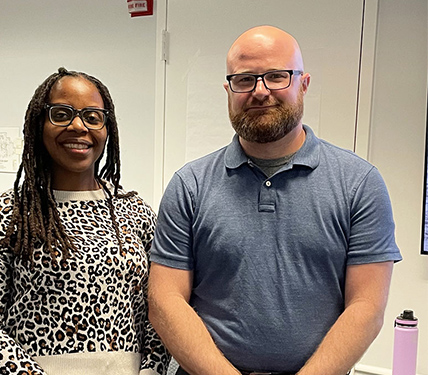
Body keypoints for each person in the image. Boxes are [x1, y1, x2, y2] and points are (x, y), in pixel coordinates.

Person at [148, 26, 402, 375]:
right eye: (244, 80)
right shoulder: (189, 185)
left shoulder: (359, 184)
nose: (260, 91)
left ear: (304, 84)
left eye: (277, 76)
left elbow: (366, 306)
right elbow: (165, 302)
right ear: (228, 89)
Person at [0, 68, 169, 375]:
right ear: (38, 124)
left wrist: (151, 369)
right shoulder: (3, 214)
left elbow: (158, 309)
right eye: (61, 114)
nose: (78, 126)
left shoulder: (135, 212)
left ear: (107, 128)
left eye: (93, 117)